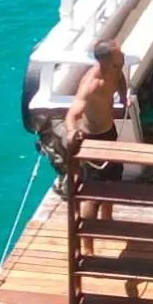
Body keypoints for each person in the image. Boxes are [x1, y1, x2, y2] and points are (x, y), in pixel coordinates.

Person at [64, 38, 129, 236]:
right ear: (107, 60)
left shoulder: (115, 68)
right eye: (119, 53)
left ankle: (107, 221)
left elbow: (120, 80)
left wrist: (123, 97)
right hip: (93, 139)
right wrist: (71, 131)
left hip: (109, 133)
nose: (123, 54)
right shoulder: (91, 85)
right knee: (94, 193)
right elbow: (72, 114)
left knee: (113, 181)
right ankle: (88, 243)